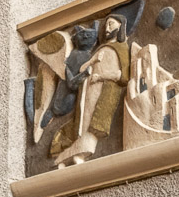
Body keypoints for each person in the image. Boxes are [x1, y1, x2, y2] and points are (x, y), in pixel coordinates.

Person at [52, 14, 131, 167]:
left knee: (93, 127)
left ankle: (79, 154)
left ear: (121, 26)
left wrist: (101, 76)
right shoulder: (101, 49)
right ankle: (68, 155)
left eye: (111, 24)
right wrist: (94, 60)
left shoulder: (122, 48)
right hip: (89, 91)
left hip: (105, 92)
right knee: (83, 125)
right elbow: (83, 68)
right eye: (106, 24)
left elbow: (122, 76)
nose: (107, 28)